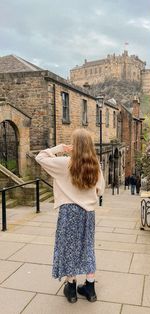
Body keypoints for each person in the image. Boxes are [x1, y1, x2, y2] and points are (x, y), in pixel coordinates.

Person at [35, 128, 105, 304]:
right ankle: (90, 288)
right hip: (88, 213)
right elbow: (101, 189)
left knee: (69, 248)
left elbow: (40, 157)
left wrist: (59, 148)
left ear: (75, 146)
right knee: (87, 247)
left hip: (69, 212)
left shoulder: (64, 163)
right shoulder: (95, 165)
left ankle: (71, 288)